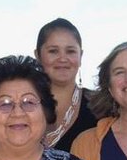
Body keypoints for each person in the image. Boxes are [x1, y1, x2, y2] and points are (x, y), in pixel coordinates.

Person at [35, 17, 96, 152]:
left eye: (70, 51)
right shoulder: (21, 105)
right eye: (53, 51)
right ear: (37, 56)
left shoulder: (100, 107)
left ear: (81, 56)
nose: (62, 59)